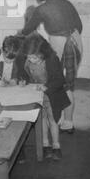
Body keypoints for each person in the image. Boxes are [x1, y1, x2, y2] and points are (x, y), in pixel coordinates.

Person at [20, 0, 83, 134]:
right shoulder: (67, 3)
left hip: (61, 44)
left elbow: (28, 29)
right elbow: (79, 26)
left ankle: (62, 120)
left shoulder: (42, 9)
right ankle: (68, 121)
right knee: (69, 82)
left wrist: (19, 34)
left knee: (60, 82)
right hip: (76, 41)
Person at [19, 32, 71, 160]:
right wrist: (23, 81)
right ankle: (45, 145)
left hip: (52, 95)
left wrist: (46, 87)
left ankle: (56, 146)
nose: (31, 60)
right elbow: (25, 74)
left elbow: (60, 80)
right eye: (29, 57)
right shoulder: (27, 60)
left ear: (43, 52)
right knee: (41, 120)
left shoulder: (52, 59)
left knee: (53, 120)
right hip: (37, 96)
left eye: (35, 58)